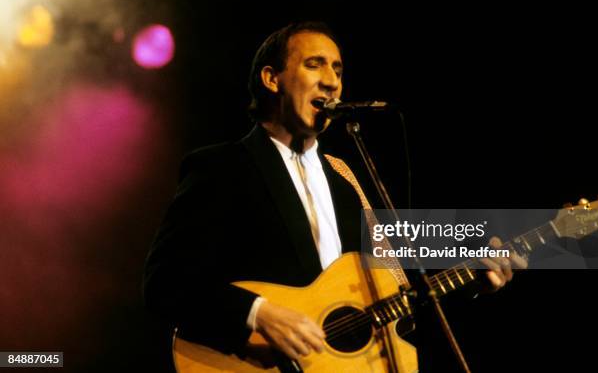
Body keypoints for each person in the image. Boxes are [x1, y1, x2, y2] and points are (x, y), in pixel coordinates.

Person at [143, 21, 525, 363]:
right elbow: (165, 283)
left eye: (338, 70)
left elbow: (399, 297)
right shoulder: (223, 167)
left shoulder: (346, 180)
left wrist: (474, 279)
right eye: (315, 64)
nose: (332, 80)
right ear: (271, 79)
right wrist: (258, 313)